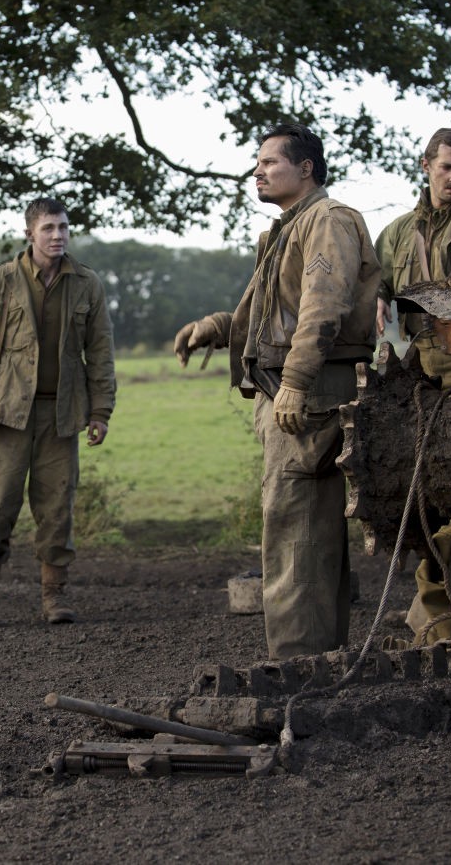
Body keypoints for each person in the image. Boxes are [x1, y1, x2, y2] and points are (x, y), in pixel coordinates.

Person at [174, 123, 379, 660]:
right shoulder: (286, 229)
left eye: (269, 162)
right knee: (307, 533)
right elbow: (271, 311)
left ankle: (296, 667)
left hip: (310, 396)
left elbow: (323, 307)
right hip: (298, 391)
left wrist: (294, 382)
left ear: (305, 168)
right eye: (257, 162)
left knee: (294, 532)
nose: (257, 171)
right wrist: (218, 327)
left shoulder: (327, 221)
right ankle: (319, 661)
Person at [0, 196, 117, 628]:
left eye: (63, 227)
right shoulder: (0, 281)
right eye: (48, 228)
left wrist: (101, 411)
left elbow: (100, 352)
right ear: (30, 233)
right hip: (6, 415)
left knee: (56, 509)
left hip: (62, 416)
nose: (58, 235)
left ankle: (54, 597)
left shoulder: (86, 283)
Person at [373, 127, 451, 645]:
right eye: (446, 167)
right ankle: (439, 617)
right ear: (424, 166)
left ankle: (447, 618)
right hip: (419, 377)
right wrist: (376, 300)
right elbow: (374, 283)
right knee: (422, 501)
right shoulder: (398, 232)